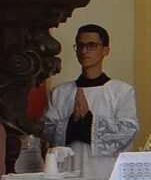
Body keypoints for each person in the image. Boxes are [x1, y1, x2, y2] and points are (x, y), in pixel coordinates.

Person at [42, 24, 139, 170]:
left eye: (91, 45)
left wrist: (87, 120)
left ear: (105, 50)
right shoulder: (60, 92)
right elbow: (47, 132)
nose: (84, 51)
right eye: (80, 45)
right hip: (67, 168)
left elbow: (127, 132)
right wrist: (73, 122)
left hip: (103, 169)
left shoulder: (121, 91)